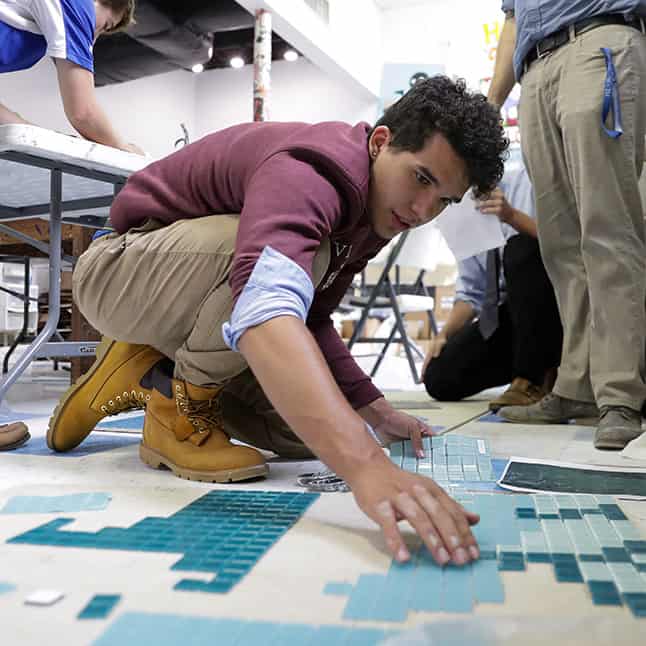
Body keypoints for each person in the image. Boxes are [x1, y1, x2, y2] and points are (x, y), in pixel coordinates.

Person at [46, 76, 508, 566]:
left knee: (302, 433)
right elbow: (267, 304)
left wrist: (374, 412)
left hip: (173, 286)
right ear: (380, 142)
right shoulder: (314, 169)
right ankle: (175, 416)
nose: (422, 211)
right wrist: (365, 466)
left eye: (443, 200)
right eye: (421, 178)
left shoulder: (377, 208)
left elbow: (312, 318)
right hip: (116, 269)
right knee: (281, 273)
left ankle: (146, 373)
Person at [488, 2, 646, 449]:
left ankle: (620, 395)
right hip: (534, 70)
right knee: (559, 243)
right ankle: (576, 387)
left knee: (608, 228)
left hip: (597, 40)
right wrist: (491, 105)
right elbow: (512, 19)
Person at [423, 161, 562, 411]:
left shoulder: (531, 180)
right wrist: (444, 334)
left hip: (554, 307)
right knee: (439, 378)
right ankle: (528, 368)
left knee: (519, 249)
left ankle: (531, 379)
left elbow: (564, 247)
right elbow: (472, 292)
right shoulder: (459, 206)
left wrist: (512, 216)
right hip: (511, 319)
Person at [0, 0, 142, 154]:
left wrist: (35, 134)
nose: (95, 35)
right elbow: (83, 113)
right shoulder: (77, 5)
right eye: (106, 25)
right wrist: (124, 148)